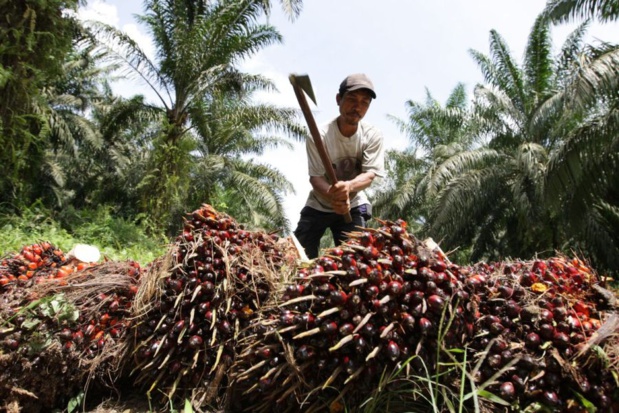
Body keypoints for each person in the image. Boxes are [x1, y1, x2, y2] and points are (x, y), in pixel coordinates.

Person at [293, 73, 385, 259]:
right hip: (319, 202)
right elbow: (316, 177)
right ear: (338, 99)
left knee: (356, 260)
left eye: (364, 102)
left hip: (354, 203)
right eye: (351, 99)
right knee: (299, 254)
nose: (357, 107)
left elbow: (369, 175)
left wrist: (348, 187)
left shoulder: (373, 136)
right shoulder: (318, 135)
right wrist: (332, 194)